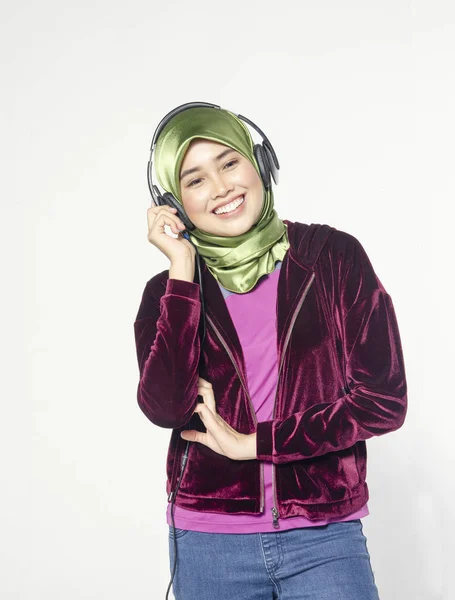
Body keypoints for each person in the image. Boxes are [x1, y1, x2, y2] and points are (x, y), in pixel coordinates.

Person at [133, 105, 407, 600]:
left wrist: (256, 442)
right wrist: (181, 268)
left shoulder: (332, 257)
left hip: (325, 535)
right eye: (195, 180)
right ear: (173, 203)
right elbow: (166, 407)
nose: (221, 188)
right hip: (208, 541)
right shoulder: (168, 291)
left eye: (230, 163)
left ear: (260, 162)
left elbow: (382, 401)